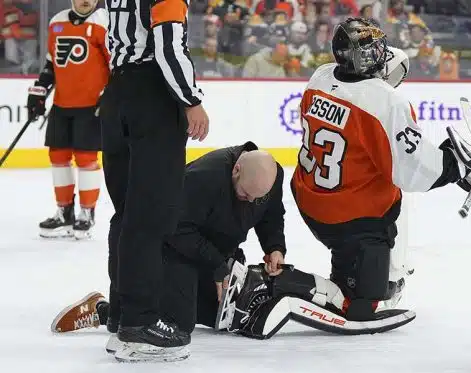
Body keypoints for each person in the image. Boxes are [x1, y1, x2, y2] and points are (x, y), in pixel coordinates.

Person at [214, 18, 471, 339]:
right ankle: (265, 282)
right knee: (360, 305)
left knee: (374, 219)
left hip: (311, 197)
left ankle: (368, 272)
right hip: (351, 217)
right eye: (372, 49)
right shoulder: (385, 101)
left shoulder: (320, 77)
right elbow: (414, 170)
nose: (379, 53)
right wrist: (457, 166)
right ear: (357, 55)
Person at [50, 143, 286, 353]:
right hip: (178, 249)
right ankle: (105, 310)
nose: (251, 201)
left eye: (258, 198)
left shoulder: (269, 178)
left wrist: (275, 247)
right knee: (180, 325)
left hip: (217, 254)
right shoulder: (204, 177)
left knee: (226, 317)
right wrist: (215, 263)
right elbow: (175, 230)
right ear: (236, 170)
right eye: (245, 194)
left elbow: (271, 215)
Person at [100, 0, 210, 363]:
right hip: (153, 97)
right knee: (150, 216)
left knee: (127, 214)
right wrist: (190, 98)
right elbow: (167, 42)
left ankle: (121, 319)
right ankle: (139, 324)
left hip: (117, 96)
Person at [26, 0, 109, 240]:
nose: (87, 1)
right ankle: (64, 212)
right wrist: (40, 90)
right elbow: (52, 63)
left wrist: (110, 95)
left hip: (91, 106)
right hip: (62, 104)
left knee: (85, 158)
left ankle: (86, 213)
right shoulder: (57, 22)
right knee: (58, 156)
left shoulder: (103, 21)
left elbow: (116, 64)